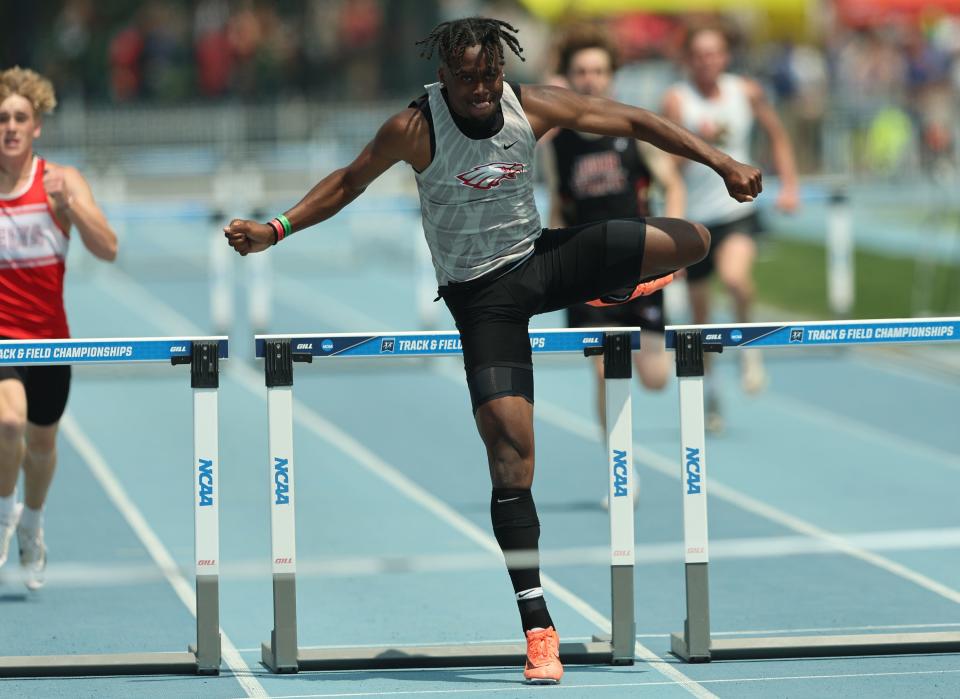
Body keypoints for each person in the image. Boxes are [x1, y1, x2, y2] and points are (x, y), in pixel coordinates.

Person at [224, 17, 760, 684]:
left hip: (541, 261)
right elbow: (349, 180)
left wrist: (720, 161)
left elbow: (629, 118)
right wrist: (276, 229)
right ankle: (538, 625)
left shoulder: (527, 105)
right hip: (483, 298)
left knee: (692, 240)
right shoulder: (414, 128)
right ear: (442, 76)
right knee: (512, 453)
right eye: (468, 78)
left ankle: (610, 283)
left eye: (490, 76)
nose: (481, 89)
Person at [541, 25, 686, 507]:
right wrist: (549, 260)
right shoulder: (557, 142)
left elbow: (670, 182)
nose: (590, 79)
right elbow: (558, 206)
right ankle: (621, 470)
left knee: (656, 378)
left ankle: (684, 352)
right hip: (585, 269)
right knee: (605, 373)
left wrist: (678, 239)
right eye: (581, 71)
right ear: (569, 76)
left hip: (640, 266)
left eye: (598, 71)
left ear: (611, 76)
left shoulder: (633, 127)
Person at [0, 67, 118, 589]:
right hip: (3, 340)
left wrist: (68, 206)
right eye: (2, 118)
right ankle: (4, 516)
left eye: (19, 117)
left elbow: (108, 248)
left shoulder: (61, 182)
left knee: (42, 446)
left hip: (50, 338)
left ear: (37, 126)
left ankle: (32, 521)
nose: (9, 126)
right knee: (7, 425)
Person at [662, 24, 799, 432]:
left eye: (714, 52)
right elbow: (666, 161)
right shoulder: (677, 99)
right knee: (699, 318)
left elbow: (777, 133)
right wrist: (694, 148)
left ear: (725, 56)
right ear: (688, 59)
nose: (707, 61)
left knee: (738, 279)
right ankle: (713, 394)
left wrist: (789, 185)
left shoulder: (746, 91)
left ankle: (750, 353)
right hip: (695, 218)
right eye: (699, 54)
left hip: (737, 210)